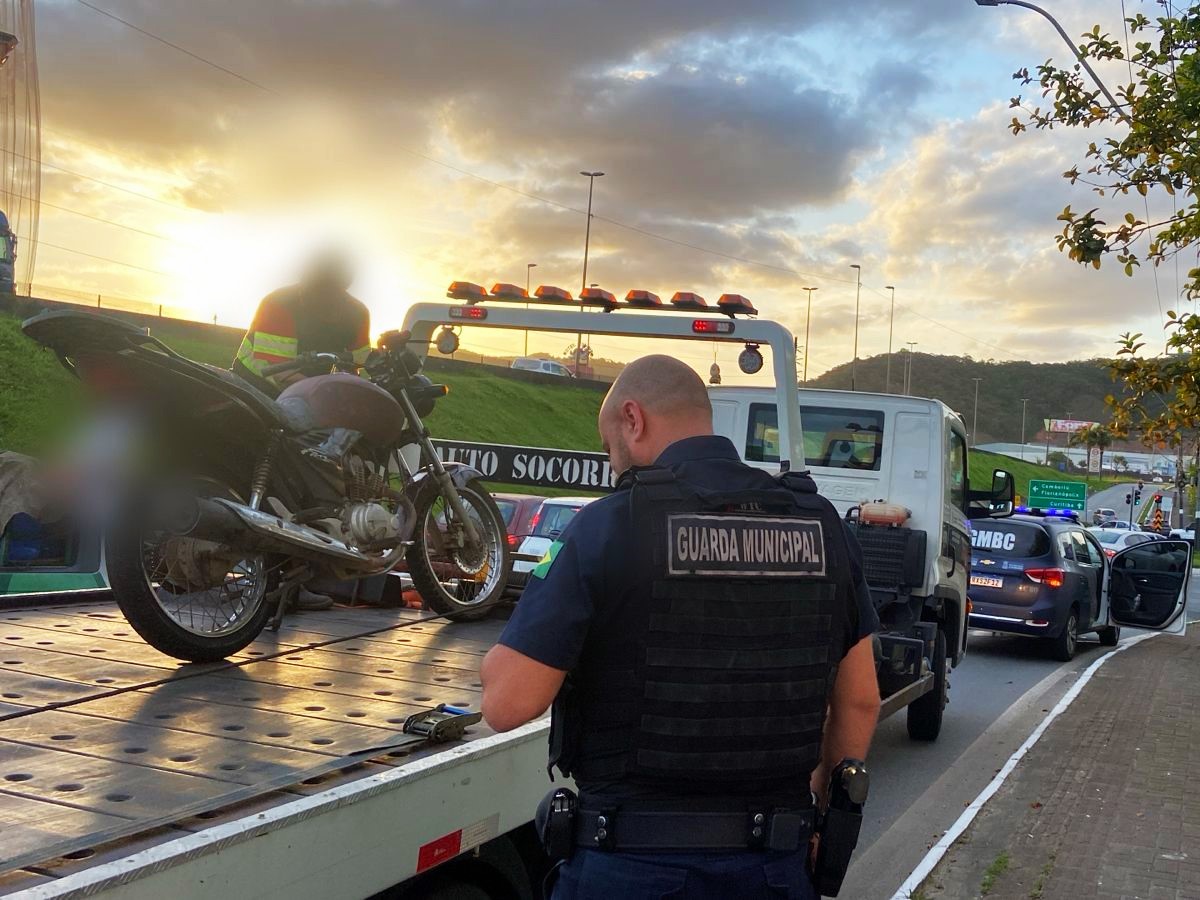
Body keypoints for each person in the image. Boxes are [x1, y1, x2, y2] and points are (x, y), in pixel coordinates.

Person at [480, 355, 881, 899]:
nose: (611, 463)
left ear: (633, 419)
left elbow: (507, 705)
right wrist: (824, 820)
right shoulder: (824, 527)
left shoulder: (607, 526)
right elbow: (859, 700)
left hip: (629, 868)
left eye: (607, 446)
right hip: (774, 868)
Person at [231, 250, 371, 611]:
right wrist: (327, 397)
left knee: (321, 464)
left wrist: (343, 397)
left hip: (313, 397)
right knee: (297, 478)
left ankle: (300, 569)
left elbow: (357, 369)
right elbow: (274, 370)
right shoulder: (280, 304)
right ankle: (291, 573)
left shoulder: (356, 313)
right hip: (258, 392)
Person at [232, 249, 372, 396]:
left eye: (322, 289)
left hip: (307, 389)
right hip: (253, 385)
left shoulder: (358, 314)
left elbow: (355, 365)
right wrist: (327, 393)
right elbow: (282, 375)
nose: (306, 293)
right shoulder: (278, 304)